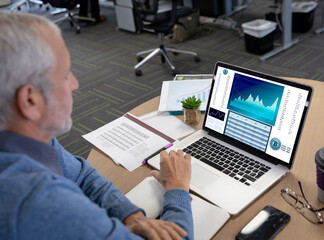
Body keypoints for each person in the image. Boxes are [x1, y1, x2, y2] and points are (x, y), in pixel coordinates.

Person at [0, 11, 193, 240]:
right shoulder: (37, 201)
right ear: (30, 100)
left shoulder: (26, 135)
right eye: (64, 75)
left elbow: (81, 175)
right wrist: (177, 187)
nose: (75, 83)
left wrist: (132, 217)